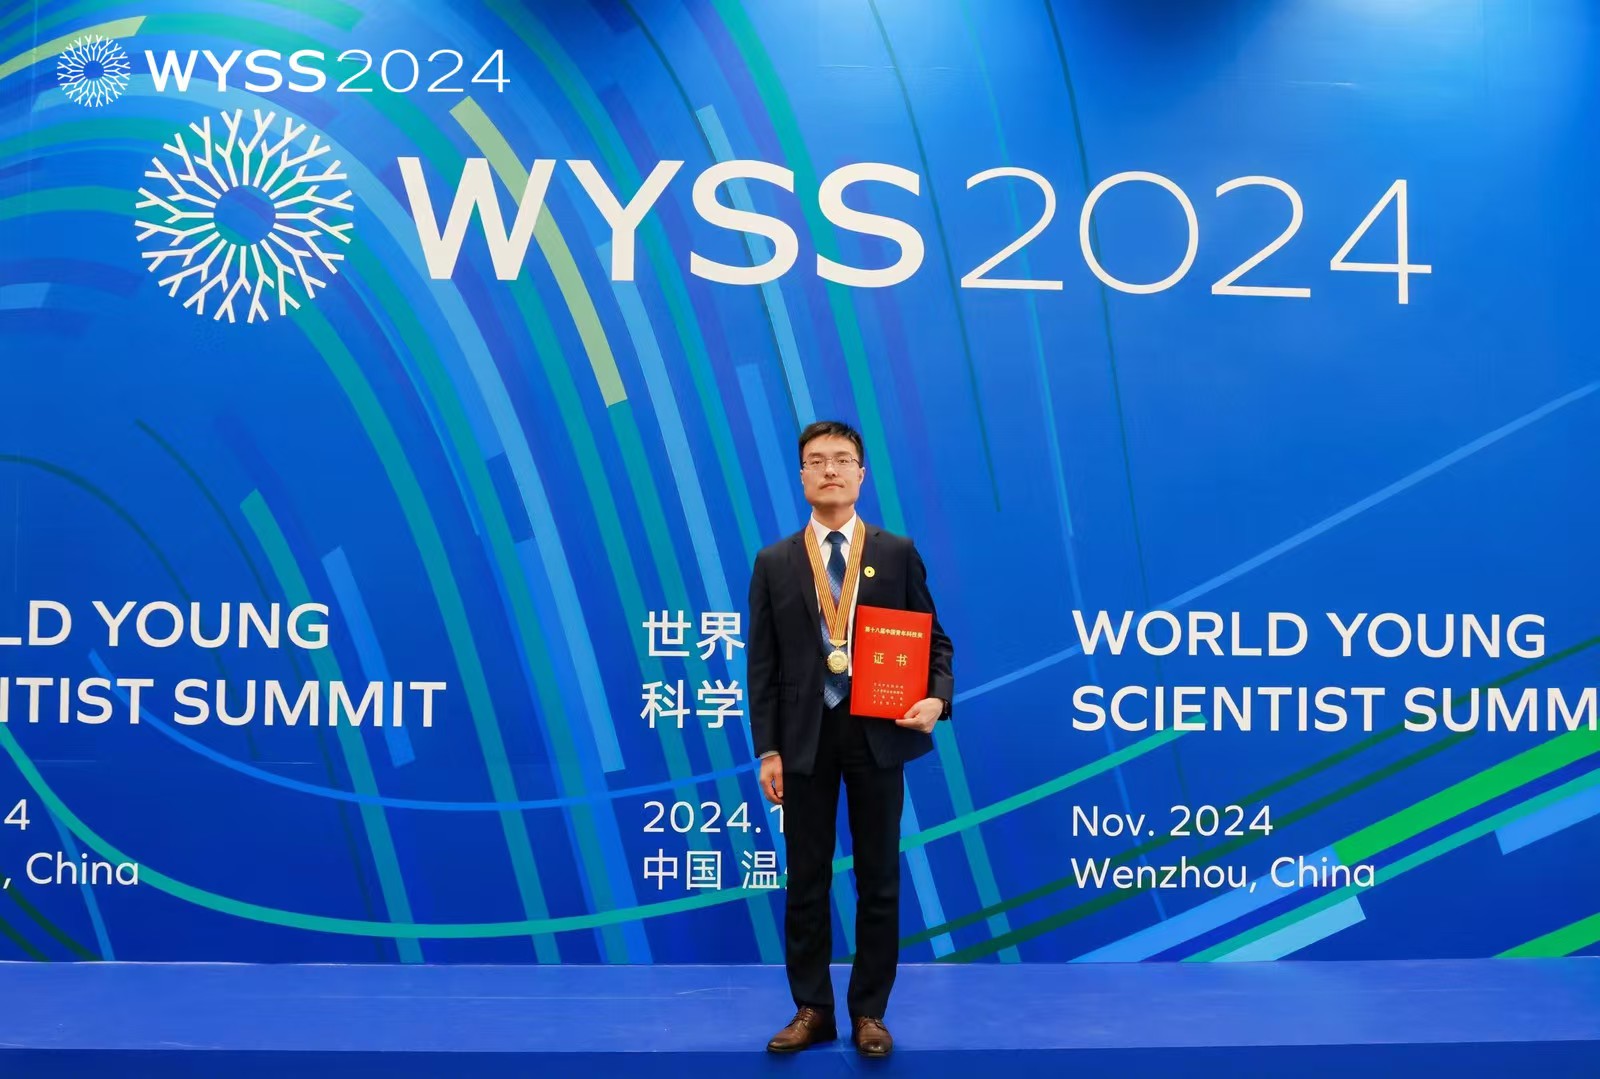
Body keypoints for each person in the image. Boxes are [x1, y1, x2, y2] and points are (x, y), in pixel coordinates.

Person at [746, 419, 954, 1058]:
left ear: (862, 474)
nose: (830, 470)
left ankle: (870, 1013)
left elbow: (935, 643)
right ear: (802, 476)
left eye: (842, 459)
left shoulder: (895, 552)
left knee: (878, 878)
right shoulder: (775, 561)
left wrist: (936, 698)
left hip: (876, 735)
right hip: (803, 741)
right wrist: (769, 749)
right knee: (806, 879)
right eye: (817, 460)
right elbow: (763, 664)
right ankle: (811, 1008)